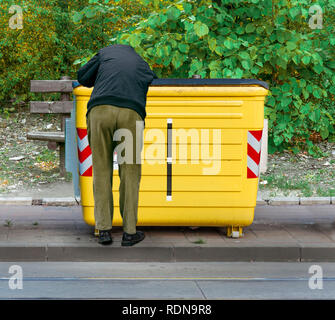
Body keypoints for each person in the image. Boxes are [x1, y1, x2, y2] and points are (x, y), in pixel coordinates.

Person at [77, 44, 157, 246]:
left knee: (102, 170)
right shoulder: (141, 62)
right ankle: (130, 232)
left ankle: (103, 230)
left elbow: (82, 77)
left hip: (100, 112)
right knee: (129, 172)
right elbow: (151, 80)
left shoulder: (104, 54)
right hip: (131, 113)